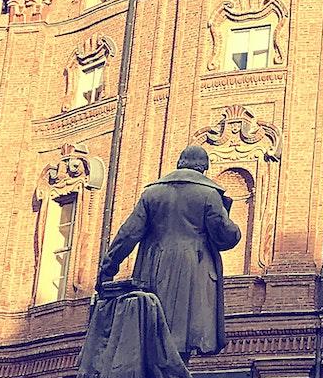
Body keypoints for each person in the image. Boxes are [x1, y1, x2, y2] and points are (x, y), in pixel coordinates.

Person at [98, 145, 242, 362]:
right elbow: (226, 236)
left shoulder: (152, 194)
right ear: (203, 167)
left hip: (153, 268)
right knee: (181, 339)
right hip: (193, 270)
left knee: (152, 333)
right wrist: (229, 217)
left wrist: (108, 268)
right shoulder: (209, 195)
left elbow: (128, 233)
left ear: (180, 163)